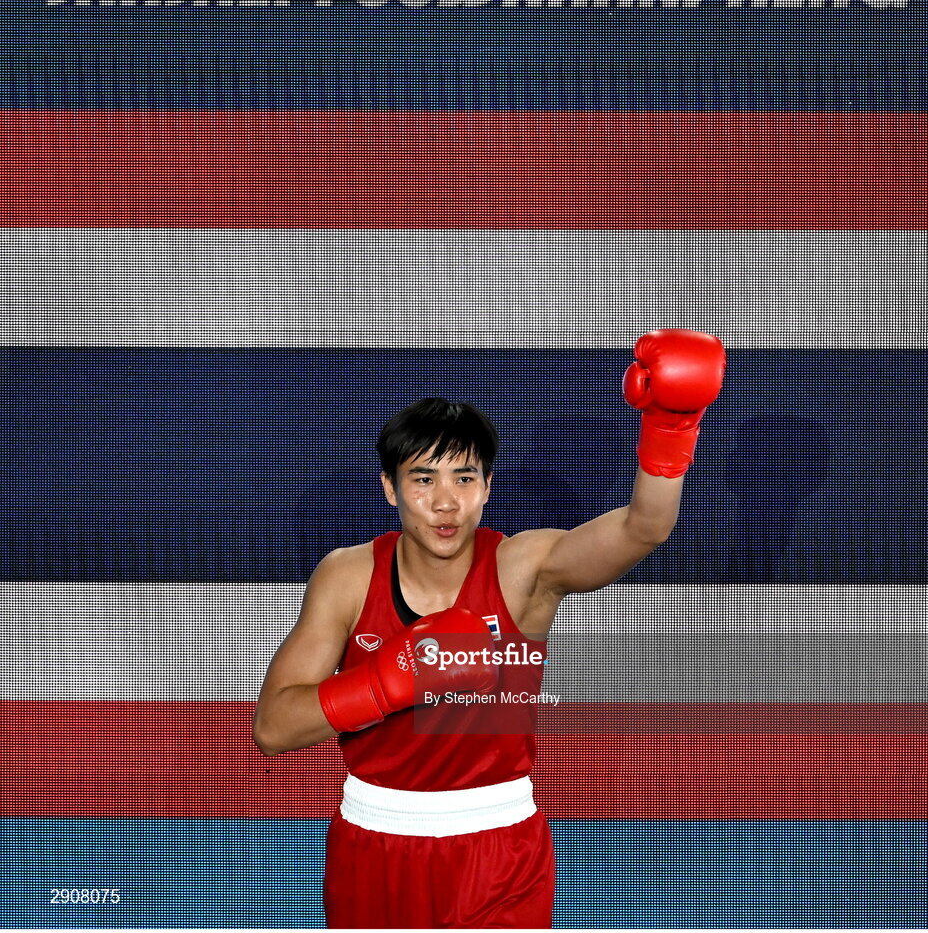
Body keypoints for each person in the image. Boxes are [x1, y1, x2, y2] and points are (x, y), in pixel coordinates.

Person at [253, 328, 726, 929]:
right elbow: (273, 727)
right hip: (372, 843)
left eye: (464, 478)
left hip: (497, 849)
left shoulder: (522, 569)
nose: (445, 501)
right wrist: (386, 683)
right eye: (423, 479)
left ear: (487, 488)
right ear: (390, 488)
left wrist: (672, 424)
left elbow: (643, 530)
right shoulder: (348, 576)